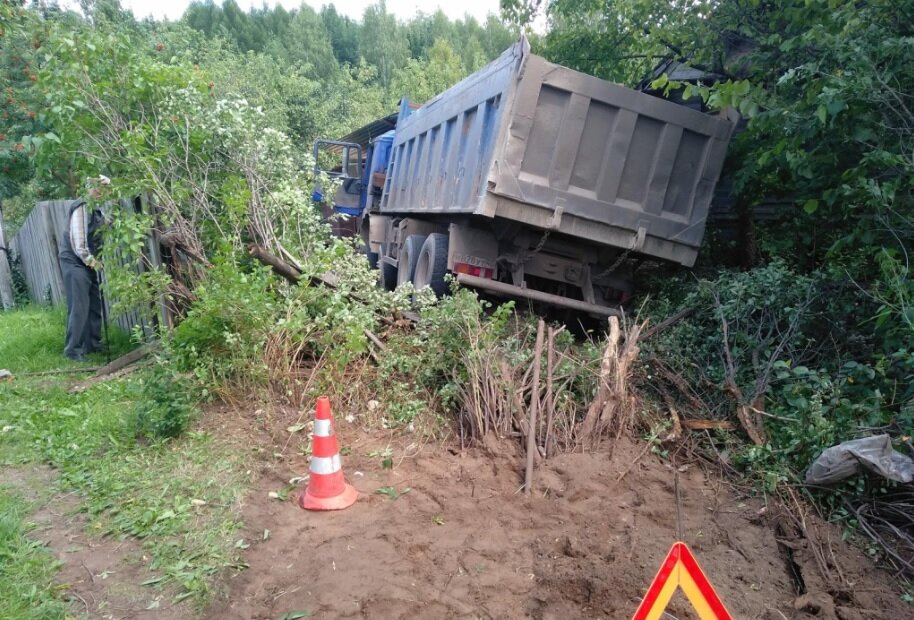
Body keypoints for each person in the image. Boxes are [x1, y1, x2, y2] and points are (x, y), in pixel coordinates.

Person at [58, 175, 109, 361]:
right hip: (75, 261)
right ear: (94, 188)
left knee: (94, 303)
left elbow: (106, 226)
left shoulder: (96, 209)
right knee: (79, 306)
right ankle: (72, 350)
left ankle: (93, 344)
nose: (105, 192)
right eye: (103, 188)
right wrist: (93, 262)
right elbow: (78, 244)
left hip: (87, 262)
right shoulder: (82, 207)